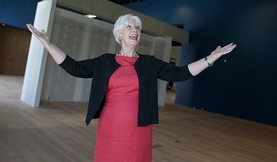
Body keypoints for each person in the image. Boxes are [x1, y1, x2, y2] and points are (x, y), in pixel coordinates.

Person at [26, 14, 236, 162]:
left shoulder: (149, 63)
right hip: (110, 129)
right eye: (130, 26)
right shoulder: (104, 61)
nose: (135, 30)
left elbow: (181, 73)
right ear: (119, 33)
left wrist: (211, 58)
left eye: (138, 28)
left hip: (139, 130)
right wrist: (48, 44)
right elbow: (75, 67)